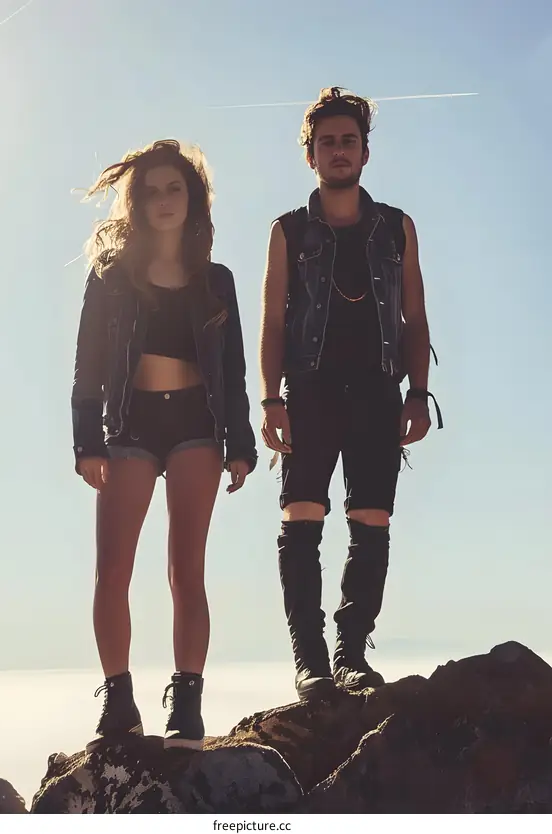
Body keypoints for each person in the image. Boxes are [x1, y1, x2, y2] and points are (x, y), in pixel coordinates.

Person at [71, 139, 257, 749]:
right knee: (112, 572)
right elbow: (88, 366)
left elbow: (232, 368)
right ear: (137, 201)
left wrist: (241, 442)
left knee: (187, 571)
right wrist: (86, 440)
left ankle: (187, 700)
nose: (162, 200)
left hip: (196, 427)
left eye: (174, 188)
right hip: (130, 424)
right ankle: (118, 700)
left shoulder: (217, 281)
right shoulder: (112, 278)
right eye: (150, 191)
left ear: (192, 197)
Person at [259, 87, 442, 702]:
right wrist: (270, 399)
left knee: (372, 521)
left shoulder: (396, 227)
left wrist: (419, 393)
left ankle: (350, 654)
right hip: (308, 390)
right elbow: (273, 323)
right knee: (302, 518)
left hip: (376, 390)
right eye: (327, 143)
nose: (339, 151)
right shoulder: (287, 231)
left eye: (349, 141)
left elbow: (415, 316)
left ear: (365, 150)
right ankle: (309, 661)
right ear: (309, 154)